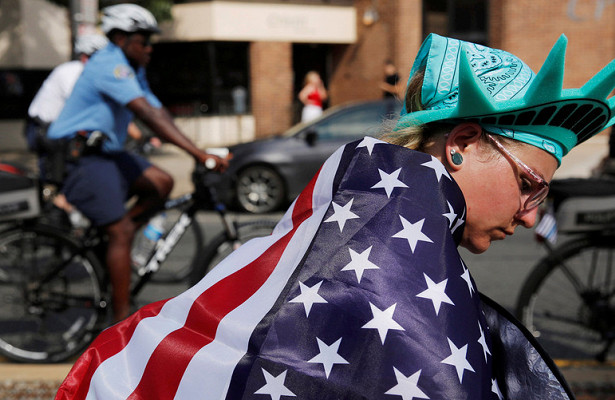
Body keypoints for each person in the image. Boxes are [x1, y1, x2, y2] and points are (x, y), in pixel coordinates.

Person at [56, 33, 614, 400]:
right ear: (463, 143)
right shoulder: (395, 246)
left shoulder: (363, 204)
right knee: (121, 228)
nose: (527, 213)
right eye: (529, 185)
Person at [46, 3, 227, 323]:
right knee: (120, 232)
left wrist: (197, 149)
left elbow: (158, 111)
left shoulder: (133, 70)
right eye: (143, 41)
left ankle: (114, 242)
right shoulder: (109, 65)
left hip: (107, 152)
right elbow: (146, 114)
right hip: (80, 156)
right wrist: (198, 155)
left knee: (162, 183)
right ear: (120, 39)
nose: (149, 48)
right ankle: (119, 322)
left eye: (150, 42)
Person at [25, 33, 108, 152]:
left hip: (61, 129)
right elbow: (81, 104)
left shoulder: (92, 75)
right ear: (84, 57)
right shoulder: (72, 71)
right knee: (62, 167)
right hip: (43, 129)